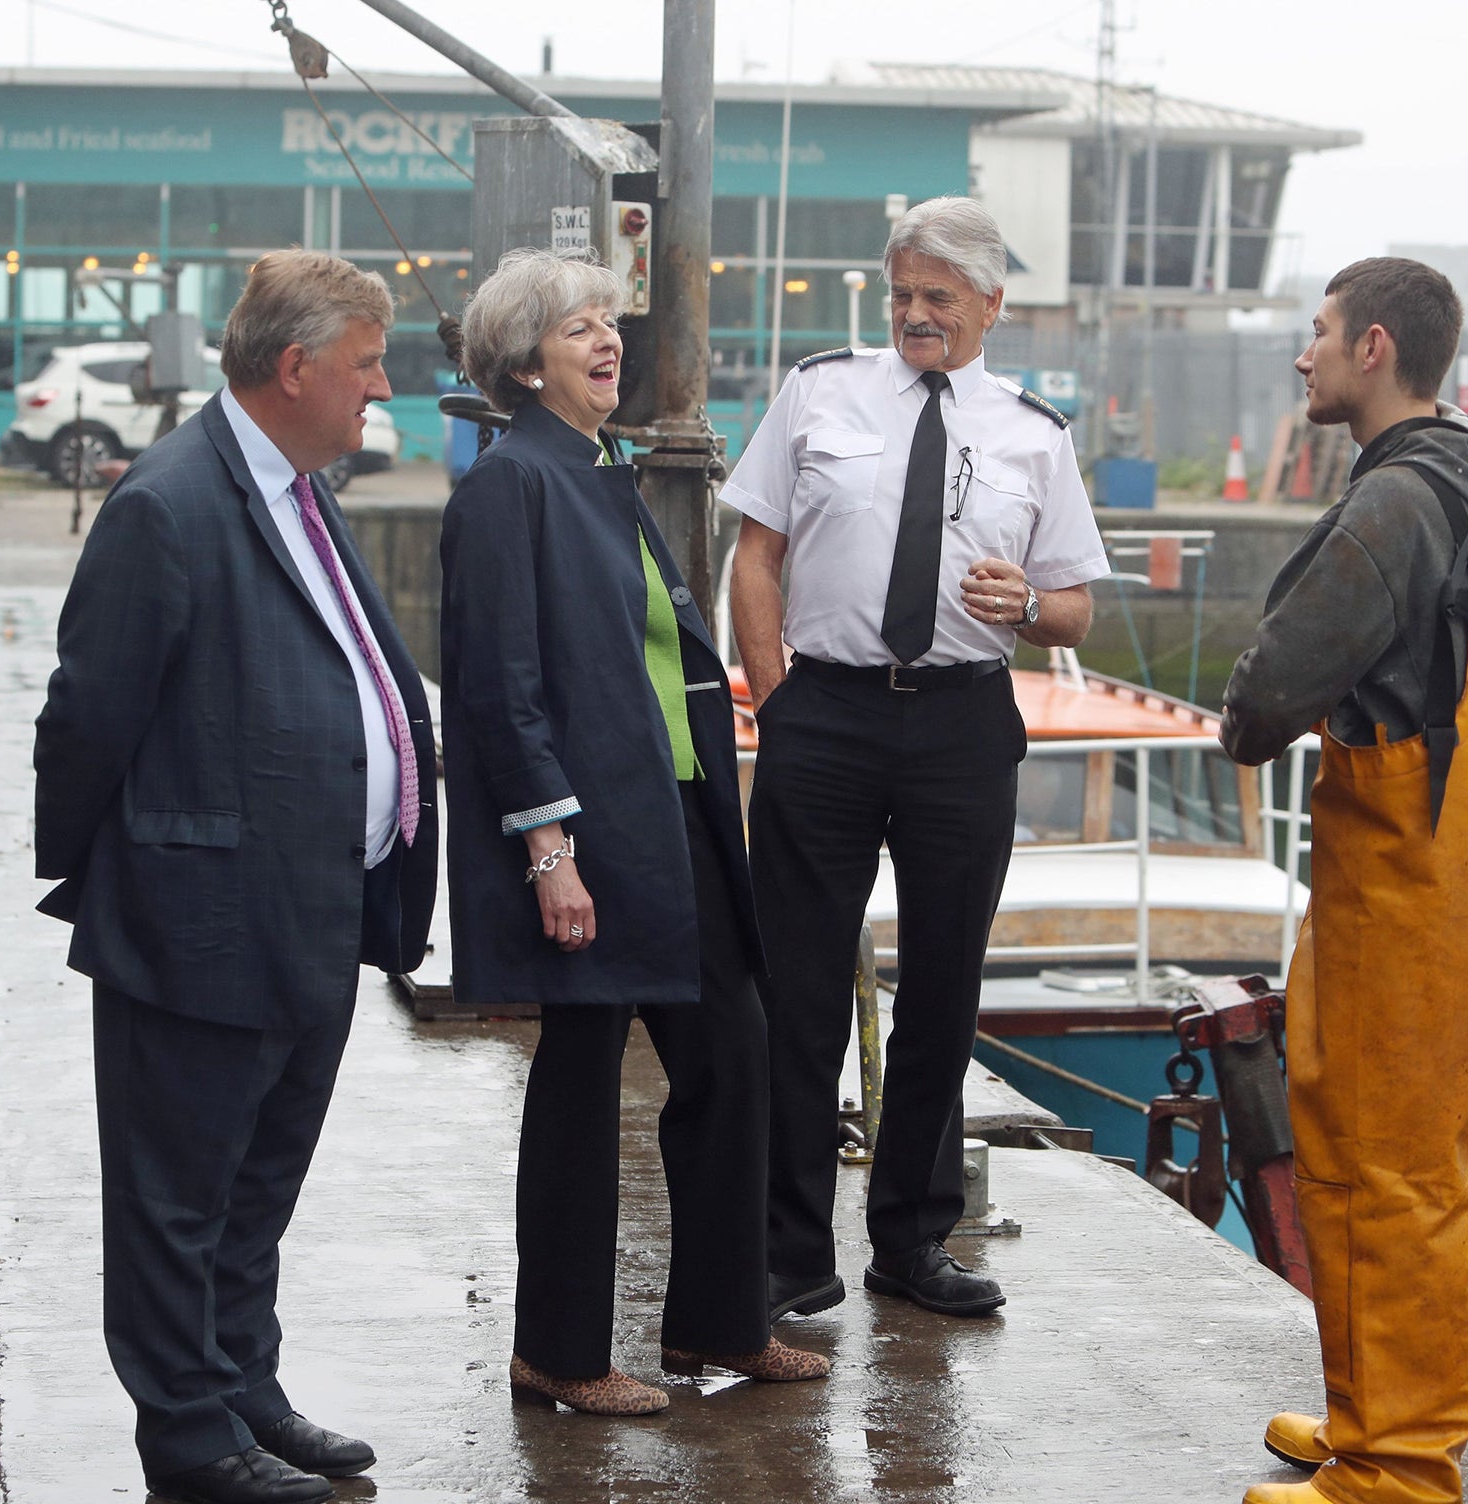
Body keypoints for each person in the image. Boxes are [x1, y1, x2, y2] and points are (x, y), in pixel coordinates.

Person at [33, 249, 438, 1504]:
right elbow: (85, 717)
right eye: (367, 364)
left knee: (257, 1185)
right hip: (201, 917)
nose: (382, 388)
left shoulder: (300, 491)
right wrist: (120, 874)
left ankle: (243, 1389)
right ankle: (189, 1438)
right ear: (295, 367)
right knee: (176, 1198)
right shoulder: (167, 503)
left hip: (313, 909)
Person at [441, 248, 829, 1417]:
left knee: (732, 1054)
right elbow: (500, 685)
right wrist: (548, 852)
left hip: (677, 816)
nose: (608, 341)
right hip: (589, 830)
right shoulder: (511, 484)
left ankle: (720, 1322)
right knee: (579, 1078)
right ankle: (557, 1350)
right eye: (578, 328)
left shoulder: (601, 470)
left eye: (609, 322)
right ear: (524, 363)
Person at [721, 197, 1108, 1323]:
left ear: (990, 304)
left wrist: (1026, 604)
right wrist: (775, 700)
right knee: (796, 988)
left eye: (938, 297)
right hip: (825, 714)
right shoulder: (818, 392)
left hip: (960, 725)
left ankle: (912, 1240)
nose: (914, 315)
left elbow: (1075, 609)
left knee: (943, 989)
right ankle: (791, 1250)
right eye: (901, 294)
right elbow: (755, 555)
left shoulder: (1035, 434)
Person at [1219, 258, 1468, 1504]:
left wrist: (1246, 715)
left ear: (1374, 348)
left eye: (1319, 333)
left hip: (1403, 871)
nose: (1303, 356)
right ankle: (1392, 1417)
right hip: (1467, 852)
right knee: (1437, 1152)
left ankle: (1390, 1469)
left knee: (1373, 1154)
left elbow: (1269, 690)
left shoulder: (1393, 501)